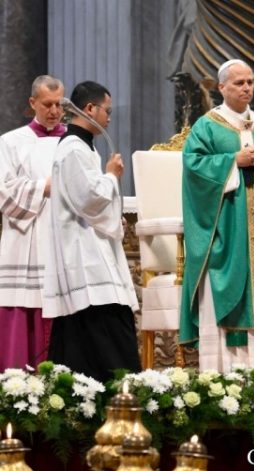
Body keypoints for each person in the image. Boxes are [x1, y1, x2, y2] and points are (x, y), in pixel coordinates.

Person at [180, 59, 254, 374]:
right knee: (228, 285)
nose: (247, 88)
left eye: (250, 82)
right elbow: (194, 168)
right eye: (239, 83)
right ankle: (225, 376)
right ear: (221, 87)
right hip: (229, 233)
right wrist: (234, 160)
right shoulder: (207, 126)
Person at [43, 81, 141, 382]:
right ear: (89, 108)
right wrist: (111, 175)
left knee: (86, 335)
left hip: (89, 248)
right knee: (108, 330)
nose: (109, 118)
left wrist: (114, 217)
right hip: (85, 257)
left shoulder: (84, 146)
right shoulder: (73, 148)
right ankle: (122, 395)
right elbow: (88, 199)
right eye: (107, 111)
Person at [0, 75, 65, 371]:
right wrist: (43, 188)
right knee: (22, 308)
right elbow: (4, 191)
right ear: (32, 103)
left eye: (59, 104)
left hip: (61, 237)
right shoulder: (11, 142)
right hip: (24, 238)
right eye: (47, 104)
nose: (54, 111)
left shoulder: (74, 142)